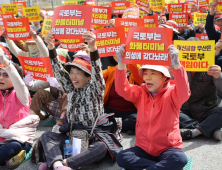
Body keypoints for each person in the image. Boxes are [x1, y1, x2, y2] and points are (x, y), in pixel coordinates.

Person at [37, 31, 118, 170]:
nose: (73, 76)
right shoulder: (71, 87)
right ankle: (57, 165)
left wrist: (93, 47)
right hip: (72, 135)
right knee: (47, 136)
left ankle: (65, 164)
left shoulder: (95, 88)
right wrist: (51, 47)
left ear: (88, 77)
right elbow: (58, 71)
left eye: (78, 73)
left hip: (92, 136)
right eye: (72, 72)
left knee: (101, 147)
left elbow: (97, 70)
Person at [115, 44, 190, 170]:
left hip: (168, 149)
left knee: (179, 159)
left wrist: (177, 65)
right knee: (122, 156)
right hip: (143, 149)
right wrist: (121, 62)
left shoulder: (173, 93)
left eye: (153, 73)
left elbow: (184, 91)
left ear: (164, 76)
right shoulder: (140, 92)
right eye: (145, 73)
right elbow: (122, 89)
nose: (147, 77)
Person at [0, 48, 39, 169]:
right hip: (2, 137)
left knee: (12, 147)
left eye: (5, 74)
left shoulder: (21, 94)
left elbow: (19, 83)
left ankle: (22, 153)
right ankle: (10, 159)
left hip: (18, 139)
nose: (1, 78)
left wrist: (6, 63)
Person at [178, 37, 222, 141]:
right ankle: (206, 129)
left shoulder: (210, 68)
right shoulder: (177, 68)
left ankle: (194, 131)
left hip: (207, 111)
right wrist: (171, 75)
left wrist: (219, 76)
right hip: (184, 113)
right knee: (167, 111)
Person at [103, 57, 143, 133]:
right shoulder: (111, 70)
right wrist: (90, 56)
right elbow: (96, 75)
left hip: (129, 113)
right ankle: (118, 126)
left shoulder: (138, 72)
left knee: (138, 120)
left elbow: (137, 72)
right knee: (97, 116)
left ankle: (110, 125)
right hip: (110, 110)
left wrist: (127, 57)